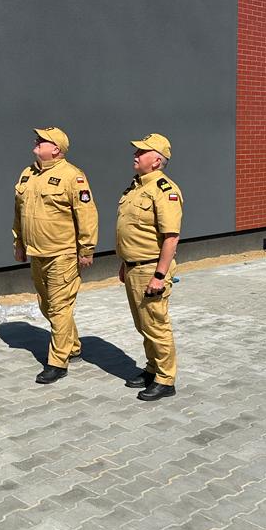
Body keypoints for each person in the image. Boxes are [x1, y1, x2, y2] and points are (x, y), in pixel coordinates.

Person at [13, 127, 99, 383]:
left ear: (56, 149)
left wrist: (86, 248)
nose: (37, 141)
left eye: (43, 140)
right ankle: (73, 346)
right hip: (37, 253)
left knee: (60, 307)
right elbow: (18, 212)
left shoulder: (73, 176)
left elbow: (87, 215)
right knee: (46, 305)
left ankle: (57, 362)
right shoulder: (28, 173)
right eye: (37, 138)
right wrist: (19, 243)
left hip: (62, 254)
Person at [116, 133, 183, 401]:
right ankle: (153, 368)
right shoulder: (136, 187)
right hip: (134, 267)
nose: (135, 155)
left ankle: (166, 380)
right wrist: (125, 263)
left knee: (156, 324)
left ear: (156, 161)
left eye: (141, 152)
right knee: (143, 324)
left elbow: (171, 237)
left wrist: (159, 275)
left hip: (151, 269)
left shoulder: (164, 190)